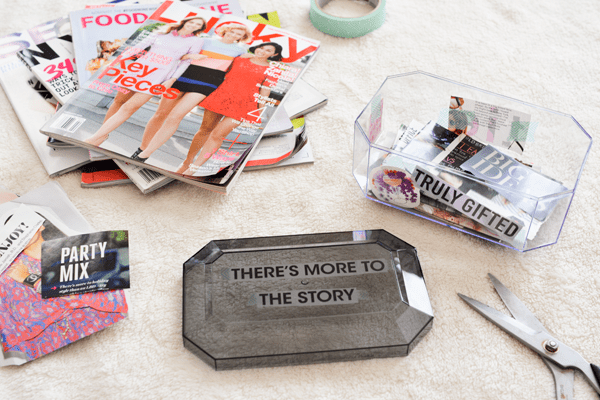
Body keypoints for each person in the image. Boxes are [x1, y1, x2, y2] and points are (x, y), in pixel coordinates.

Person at [0, 221, 127, 362]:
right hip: (50, 350)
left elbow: (115, 298)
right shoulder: (9, 274)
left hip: (108, 335)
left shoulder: (79, 248)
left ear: (41, 225)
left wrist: (32, 280)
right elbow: (22, 325)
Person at [130, 21, 253, 161]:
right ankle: (142, 148)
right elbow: (179, 55)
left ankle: (144, 155)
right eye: (232, 31)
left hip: (206, 84)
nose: (233, 35)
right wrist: (190, 56)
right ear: (225, 30)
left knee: (175, 117)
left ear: (242, 38)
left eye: (238, 34)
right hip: (183, 78)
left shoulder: (241, 51)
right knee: (160, 114)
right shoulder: (203, 41)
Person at [84, 17, 207, 147]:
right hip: (139, 69)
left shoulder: (196, 41)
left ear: (200, 28)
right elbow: (138, 47)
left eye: (198, 24)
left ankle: (94, 138)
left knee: (130, 107)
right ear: (185, 21)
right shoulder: (162, 32)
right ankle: (101, 135)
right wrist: (117, 61)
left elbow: (186, 62)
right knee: (118, 101)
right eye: (192, 22)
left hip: (160, 75)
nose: (193, 25)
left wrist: (172, 79)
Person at [179, 42, 283, 175]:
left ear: (274, 55)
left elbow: (265, 90)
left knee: (218, 135)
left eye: (268, 50)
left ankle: (193, 169)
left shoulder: (272, 69)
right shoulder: (239, 58)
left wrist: (259, 111)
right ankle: (187, 162)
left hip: (244, 104)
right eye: (261, 47)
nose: (262, 51)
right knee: (205, 130)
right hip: (220, 96)